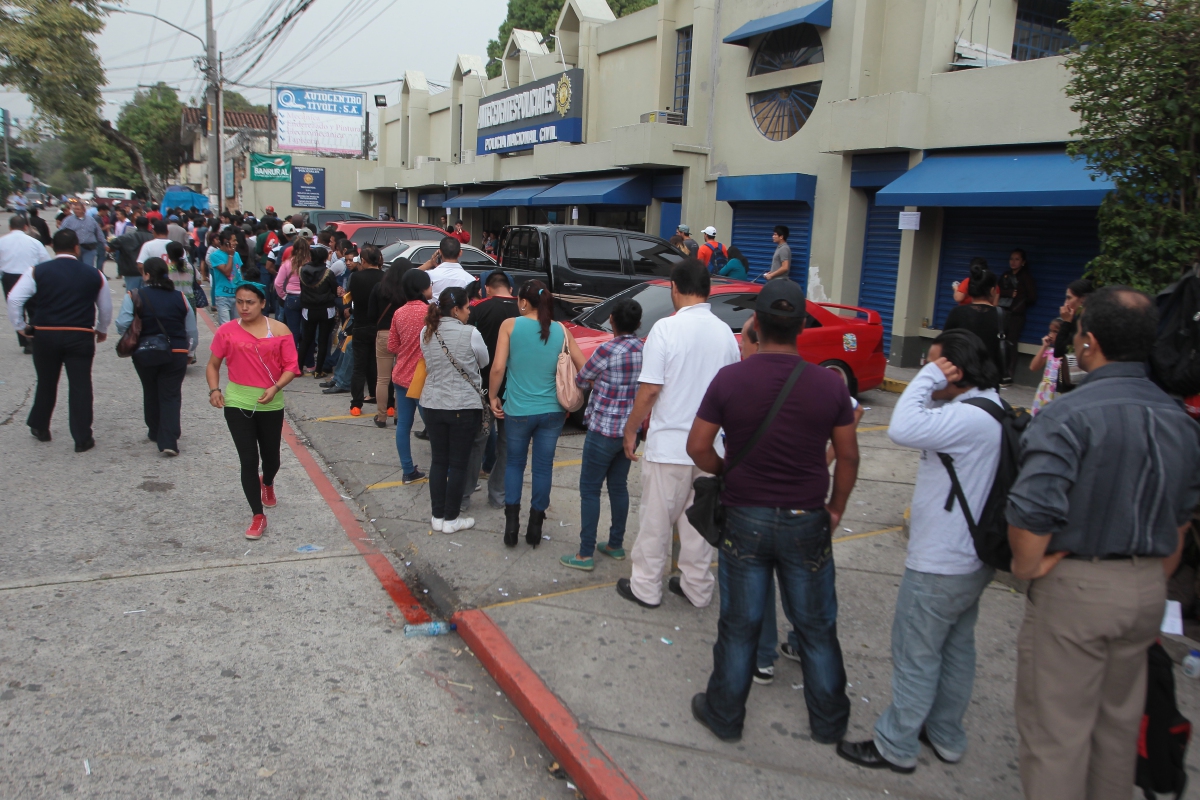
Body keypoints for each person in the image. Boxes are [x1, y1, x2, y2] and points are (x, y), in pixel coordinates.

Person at [1007, 286, 1200, 800]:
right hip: (1146, 588)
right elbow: (1182, 521)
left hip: (1077, 589)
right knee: (1116, 733)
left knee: (1057, 737)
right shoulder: (1180, 420)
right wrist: (1144, 579)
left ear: (1088, 342)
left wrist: (1029, 566)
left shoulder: (1068, 416)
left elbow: (1031, 514)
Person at [685, 278, 857, 745]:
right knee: (817, 627)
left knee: (740, 626)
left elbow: (697, 447)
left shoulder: (732, 378)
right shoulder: (829, 384)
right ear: (802, 325)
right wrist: (835, 508)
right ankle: (828, 723)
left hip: (745, 516)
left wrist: (727, 470)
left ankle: (724, 714)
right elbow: (849, 455)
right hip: (807, 517)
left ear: (755, 323)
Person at [837, 328, 1001, 773]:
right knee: (955, 648)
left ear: (956, 370)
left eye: (938, 364)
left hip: (941, 562)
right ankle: (945, 734)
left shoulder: (968, 419)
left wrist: (924, 376)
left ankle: (896, 744)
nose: (930, 372)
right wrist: (933, 380)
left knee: (915, 652)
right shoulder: (989, 408)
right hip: (970, 560)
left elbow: (903, 427)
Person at [618, 258, 741, 609]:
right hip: (710, 449)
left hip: (670, 446)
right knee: (698, 524)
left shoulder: (665, 330)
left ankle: (646, 587)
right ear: (709, 290)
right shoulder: (725, 335)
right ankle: (697, 588)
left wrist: (631, 430)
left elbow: (650, 390)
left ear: (674, 287)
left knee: (656, 523)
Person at [489, 279, 586, 547]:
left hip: (518, 409)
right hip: (553, 412)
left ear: (522, 302)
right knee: (543, 467)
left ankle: (511, 527)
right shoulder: (561, 330)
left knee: (514, 464)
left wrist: (493, 395)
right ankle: (535, 526)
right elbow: (585, 366)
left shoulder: (510, 326)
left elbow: (498, 368)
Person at [206, 281, 299, 540]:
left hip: (271, 402)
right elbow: (213, 365)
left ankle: (267, 482)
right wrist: (215, 390)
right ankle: (258, 516)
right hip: (237, 403)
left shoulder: (280, 330)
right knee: (248, 460)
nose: (243, 307)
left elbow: (292, 366)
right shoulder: (226, 331)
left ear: (262, 303)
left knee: (272, 459)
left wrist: (276, 387)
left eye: (250, 302)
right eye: (239, 302)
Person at [6, 229, 112, 451]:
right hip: (80, 334)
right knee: (81, 385)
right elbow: (105, 307)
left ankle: (40, 426)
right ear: (77, 247)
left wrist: (21, 327)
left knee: (46, 381)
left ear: (53, 247)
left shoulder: (37, 271)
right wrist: (101, 329)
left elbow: (15, 299)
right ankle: (82, 437)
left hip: (46, 333)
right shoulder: (95, 274)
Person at [561, 298, 644, 571]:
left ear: (612, 320)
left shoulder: (607, 350)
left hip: (603, 430)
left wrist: (601, 381)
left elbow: (582, 379)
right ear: (639, 323)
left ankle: (585, 554)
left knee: (590, 490)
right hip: (630, 431)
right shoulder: (644, 350)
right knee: (618, 487)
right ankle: (615, 544)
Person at [421, 286, 490, 533]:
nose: (470, 312)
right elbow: (484, 361)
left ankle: (437, 516)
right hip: (463, 406)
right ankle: (452, 518)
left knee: (439, 461)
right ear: (457, 309)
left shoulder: (426, 331)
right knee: (459, 463)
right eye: (467, 307)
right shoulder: (471, 333)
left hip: (432, 403)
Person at [114, 257, 196, 457]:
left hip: (145, 351)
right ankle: (169, 439)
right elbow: (191, 330)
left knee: (150, 389)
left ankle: (154, 429)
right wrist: (189, 352)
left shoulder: (134, 295)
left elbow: (122, 324)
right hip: (176, 352)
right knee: (171, 394)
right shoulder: (180, 297)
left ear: (147, 275)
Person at [467, 270, 520, 509]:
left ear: (487, 288)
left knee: (478, 441)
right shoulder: (524, 310)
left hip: (484, 386)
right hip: (516, 388)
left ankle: (465, 494)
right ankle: (498, 494)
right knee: (508, 444)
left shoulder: (479, 308)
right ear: (510, 289)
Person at [388, 268, 434, 484]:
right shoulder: (431, 313)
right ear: (422, 289)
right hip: (423, 378)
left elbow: (392, 346)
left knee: (403, 425)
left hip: (400, 376)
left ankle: (408, 470)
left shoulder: (398, 313)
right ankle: (445, 469)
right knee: (435, 427)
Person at [943, 263, 1005, 379]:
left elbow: (944, 344)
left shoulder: (957, 313)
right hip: (989, 379)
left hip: (960, 377)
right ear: (992, 291)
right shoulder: (1001, 316)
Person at [0, 214, 51, 353]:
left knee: (16, 308)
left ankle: (23, 339)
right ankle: (34, 339)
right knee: (34, 308)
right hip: (31, 276)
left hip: (10, 277)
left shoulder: (2, 241)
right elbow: (45, 262)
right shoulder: (34, 242)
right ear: (25, 227)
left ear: (10, 227)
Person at [347, 244, 386, 415]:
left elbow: (352, 297)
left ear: (362, 260)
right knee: (379, 366)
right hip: (380, 326)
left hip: (360, 325)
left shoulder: (356, 277)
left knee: (359, 367)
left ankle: (356, 405)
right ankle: (384, 400)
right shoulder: (385, 277)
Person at [368, 257, 406, 426]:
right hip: (403, 336)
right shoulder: (408, 291)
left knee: (382, 379)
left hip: (383, 334)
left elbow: (371, 315)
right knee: (400, 378)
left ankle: (381, 416)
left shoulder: (379, 288)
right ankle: (398, 415)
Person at [297, 246, 339, 378]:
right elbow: (333, 290)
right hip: (326, 309)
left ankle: (298, 368)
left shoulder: (302, 270)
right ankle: (318, 370)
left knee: (306, 339)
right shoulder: (328, 273)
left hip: (308, 309)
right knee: (323, 340)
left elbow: (301, 288)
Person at [998, 249, 1036, 383]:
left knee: (1011, 343)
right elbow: (996, 291)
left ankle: (1009, 374)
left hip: (1016, 315)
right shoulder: (1005, 275)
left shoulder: (1025, 277)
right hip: (1002, 312)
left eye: (1017, 259)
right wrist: (1008, 293)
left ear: (1023, 262)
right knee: (999, 341)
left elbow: (1032, 297)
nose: (1013, 262)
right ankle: (998, 371)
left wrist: (1020, 302)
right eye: (1011, 259)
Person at [273, 233, 310, 362]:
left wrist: (283, 296)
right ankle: (307, 361)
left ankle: (291, 361)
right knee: (306, 332)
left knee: (292, 331)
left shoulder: (287, 264)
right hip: (307, 299)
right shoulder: (309, 264)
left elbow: (278, 283)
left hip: (291, 298)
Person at [208, 229, 244, 326]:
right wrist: (230, 256)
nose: (236, 243)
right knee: (226, 327)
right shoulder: (215, 256)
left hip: (237, 295)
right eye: (234, 240)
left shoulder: (236, 254)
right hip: (223, 296)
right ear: (226, 241)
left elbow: (239, 273)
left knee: (238, 326)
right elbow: (227, 272)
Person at [58, 200, 106, 271]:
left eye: (78, 209)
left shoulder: (91, 220)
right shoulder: (68, 220)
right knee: (76, 268)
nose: (76, 211)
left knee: (88, 268)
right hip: (75, 248)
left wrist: (105, 244)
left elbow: (99, 233)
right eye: (74, 209)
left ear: (83, 210)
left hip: (89, 248)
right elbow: (61, 232)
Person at [110, 216, 154, 292]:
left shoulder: (126, 237)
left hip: (131, 270)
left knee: (131, 296)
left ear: (136, 224)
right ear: (148, 225)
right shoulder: (153, 238)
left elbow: (112, 245)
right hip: (149, 271)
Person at [1029, 318, 1064, 414]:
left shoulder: (1066, 355)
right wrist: (1044, 346)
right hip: (1044, 393)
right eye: (1050, 331)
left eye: (1055, 332)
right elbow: (1033, 367)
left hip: (1058, 392)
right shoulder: (1050, 353)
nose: (1051, 335)